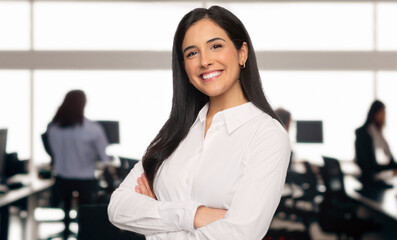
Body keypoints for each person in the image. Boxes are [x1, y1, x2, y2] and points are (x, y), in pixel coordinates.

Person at [108, 6, 291, 240]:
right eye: (192, 53)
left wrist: (155, 223)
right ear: (183, 66)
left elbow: (240, 234)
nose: (205, 61)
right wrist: (196, 215)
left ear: (242, 53)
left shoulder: (266, 134)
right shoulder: (177, 130)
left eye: (216, 46)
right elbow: (118, 208)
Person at [47, 90, 111, 238]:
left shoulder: (54, 128)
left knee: (66, 209)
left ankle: (65, 233)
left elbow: (52, 151)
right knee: (86, 214)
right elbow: (104, 156)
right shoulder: (92, 128)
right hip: (85, 179)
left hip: (62, 177)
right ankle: (83, 236)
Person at [355, 100, 397, 186]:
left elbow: (389, 158)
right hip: (370, 181)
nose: (384, 116)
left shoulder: (379, 134)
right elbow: (368, 165)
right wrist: (394, 168)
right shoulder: (365, 133)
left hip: (379, 178)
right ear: (375, 113)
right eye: (382, 113)